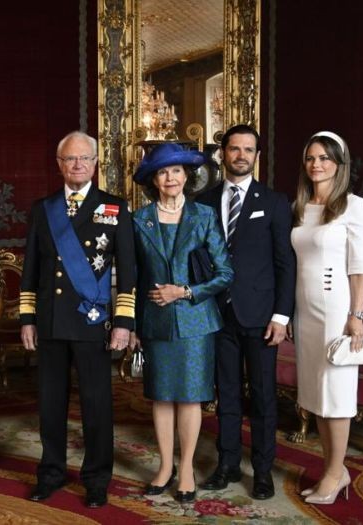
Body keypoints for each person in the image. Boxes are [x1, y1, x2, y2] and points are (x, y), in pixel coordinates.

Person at [20, 130, 136, 508]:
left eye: (84, 158)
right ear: (59, 165)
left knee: (96, 404)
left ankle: (97, 478)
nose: (77, 165)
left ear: (96, 163)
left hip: (92, 322)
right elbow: (32, 269)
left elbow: (129, 271)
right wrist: (27, 318)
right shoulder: (44, 208)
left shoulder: (115, 208)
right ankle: (51, 473)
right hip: (52, 321)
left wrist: (123, 322)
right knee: (50, 404)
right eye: (70, 159)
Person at [128, 142, 233, 504]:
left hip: (196, 323)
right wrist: (133, 325)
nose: (170, 177)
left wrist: (185, 291)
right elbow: (134, 276)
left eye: (176, 171)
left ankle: (186, 467)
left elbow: (224, 274)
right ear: (153, 180)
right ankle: (163, 466)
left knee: (189, 399)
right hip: (155, 321)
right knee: (160, 396)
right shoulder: (138, 219)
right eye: (162, 171)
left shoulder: (203, 216)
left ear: (186, 176)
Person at [196, 124, 296, 499]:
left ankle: (264, 470)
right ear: (223, 153)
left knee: (264, 397)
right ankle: (227, 464)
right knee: (227, 395)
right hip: (218, 316)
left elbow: (285, 263)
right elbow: (198, 258)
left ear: (256, 155)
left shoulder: (273, 201)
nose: (240, 155)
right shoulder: (202, 202)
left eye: (248, 149)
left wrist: (282, 317)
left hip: (261, 316)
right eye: (234, 149)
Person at [290, 131, 363, 505]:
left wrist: (356, 315)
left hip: (337, 311)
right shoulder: (301, 206)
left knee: (336, 397)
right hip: (305, 311)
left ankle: (335, 473)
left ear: (339, 163)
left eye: (324, 158)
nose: (316, 164)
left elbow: (360, 267)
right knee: (316, 396)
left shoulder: (354, 206)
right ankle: (333, 469)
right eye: (311, 157)